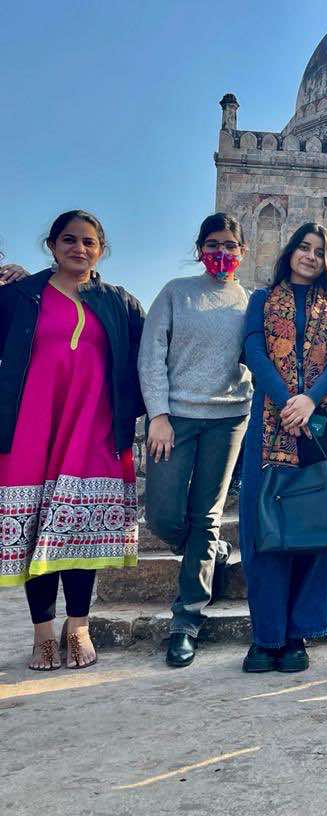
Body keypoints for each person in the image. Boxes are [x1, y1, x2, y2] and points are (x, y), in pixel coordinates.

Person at [0, 210, 145, 670]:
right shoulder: (21, 296)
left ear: (100, 249)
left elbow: (153, 358)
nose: (78, 248)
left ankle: (77, 625)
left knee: (80, 531)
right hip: (31, 428)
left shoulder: (119, 303)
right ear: (52, 244)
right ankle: (42, 633)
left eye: (88, 241)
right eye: (68, 239)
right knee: (35, 530)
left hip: (94, 430)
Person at [238, 223, 327, 673]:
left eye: (319, 251)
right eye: (303, 248)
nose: (309, 256)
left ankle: (296, 635)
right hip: (272, 422)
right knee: (264, 527)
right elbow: (253, 349)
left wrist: (309, 400)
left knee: (314, 526)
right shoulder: (262, 300)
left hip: (324, 424)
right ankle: (265, 636)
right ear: (289, 252)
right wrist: (288, 399)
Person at [138, 213, 253, 668]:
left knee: (207, 514)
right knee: (164, 516)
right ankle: (212, 552)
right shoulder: (175, 293)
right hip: (176, 419)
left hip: (228, 419)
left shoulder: (250, 303)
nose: (221, 254)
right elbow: (151, 355)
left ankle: (186, 621)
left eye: (229, 245)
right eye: (213, 244)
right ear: (200, 247)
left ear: (242, 252)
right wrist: (159, 415)